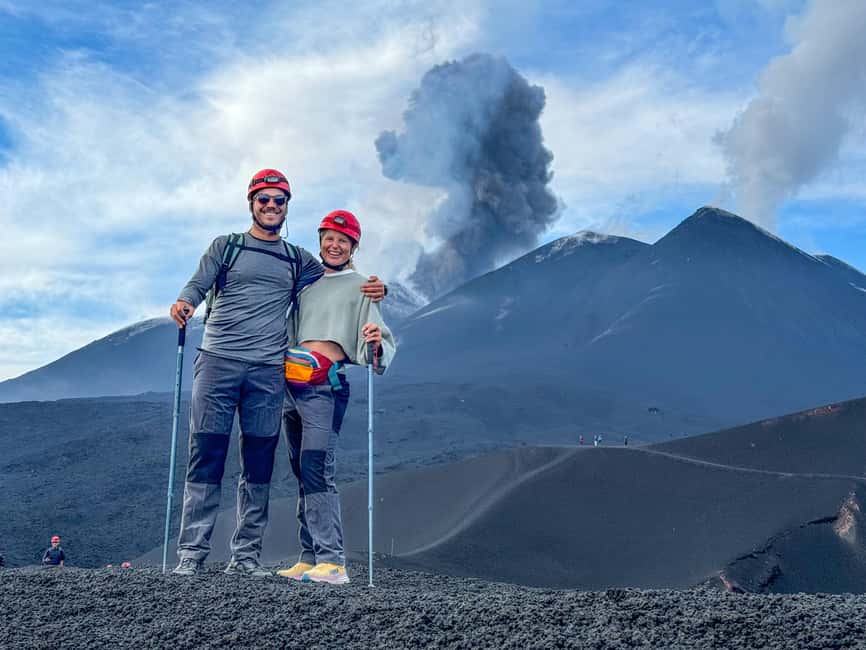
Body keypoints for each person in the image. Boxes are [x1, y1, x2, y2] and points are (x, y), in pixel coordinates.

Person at [169, 170, 385, 578]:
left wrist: (378, 289)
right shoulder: (226, 247)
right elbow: (197, 284)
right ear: (251, 202)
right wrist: (184, 302)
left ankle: (246, 557)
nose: (271, 206)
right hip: (217, 361)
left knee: (259, 463)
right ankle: (191, 555)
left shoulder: (297, 259)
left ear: (287, 207)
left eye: (279, 200)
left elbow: (336, 280)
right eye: (263, 199)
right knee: (207, 455)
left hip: (269, 372)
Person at [276, 210, 395, 585]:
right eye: (329, 237)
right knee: (300, 470)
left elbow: (378, 345)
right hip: (290, 383)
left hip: (326, 386)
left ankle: (333, 561)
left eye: (343, 240)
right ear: (321, 239)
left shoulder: (362, 286)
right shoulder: (306, 284)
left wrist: (376, 343)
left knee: (316, 466)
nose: (335, 244)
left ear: (353, 246)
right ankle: (310, 556)